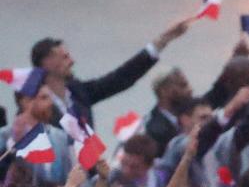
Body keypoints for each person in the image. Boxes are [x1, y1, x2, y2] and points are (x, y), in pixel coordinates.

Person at [30, 21, 190, 125]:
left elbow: (121, 78)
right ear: (47, 63)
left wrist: (163, 40)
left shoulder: (78, 92)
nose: (72, 61)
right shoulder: (31, 104)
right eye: (64, 57)